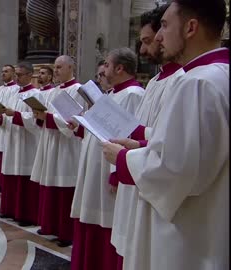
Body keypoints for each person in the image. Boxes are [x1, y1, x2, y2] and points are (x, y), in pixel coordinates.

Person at [102, 1, 229, 269]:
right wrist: (143, 145)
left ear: (191, 27)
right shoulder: (220, 75)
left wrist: (124, 159)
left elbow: (176, 169)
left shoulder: (197, 83)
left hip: (186, 235)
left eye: (166, 25)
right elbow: (198, 151)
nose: (160, 36)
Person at [108, 6, 184, 268]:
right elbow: (140, 130)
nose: (142, 50)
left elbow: (174, 147)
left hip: (155, 180)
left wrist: (129, 155)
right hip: (139, 174)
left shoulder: (184, 81)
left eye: (147, 41)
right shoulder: (154, 81)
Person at [70, 47, 145, 270]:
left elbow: (128, 135)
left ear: (119, 68)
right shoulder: (111, 94)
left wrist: (116, 174)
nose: (103, 69)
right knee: (91, 214)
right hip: (94, 162)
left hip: (108, 167)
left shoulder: (133, 94)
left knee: (106, 219)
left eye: (107, 65)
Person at [30, 55, 84, 247]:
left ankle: (65, 232)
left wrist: (48, 117)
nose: (57, 71)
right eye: (55, 67)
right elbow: (48, 115)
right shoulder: (54, 91)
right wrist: (39, 115)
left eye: (60, 67)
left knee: (64, 185)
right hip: (50, 142)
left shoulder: (77, 90)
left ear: (71, 67)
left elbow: (75, 122)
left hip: (66, 146)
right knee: (50, 183)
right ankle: (50, 225)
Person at [0, 62, 41, 226]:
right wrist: (0, 117)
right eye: (15, 74)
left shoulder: (36, 94)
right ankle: (9, 209)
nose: (16, 77)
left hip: (27, 143)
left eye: (20, 74)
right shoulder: (13, 93)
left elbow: (37, 119)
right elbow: (7, 117)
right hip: (11, 138)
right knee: (10, 175)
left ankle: (26, 215)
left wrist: (14, 115)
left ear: (30, 75)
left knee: (24, 177)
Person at [0, 65, 20, 191]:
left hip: (9, 121)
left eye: (6, 71)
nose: (3, 73)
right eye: (2, 71)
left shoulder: (17, 89)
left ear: (14, 73)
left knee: (6, 150)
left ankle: (3, 183)